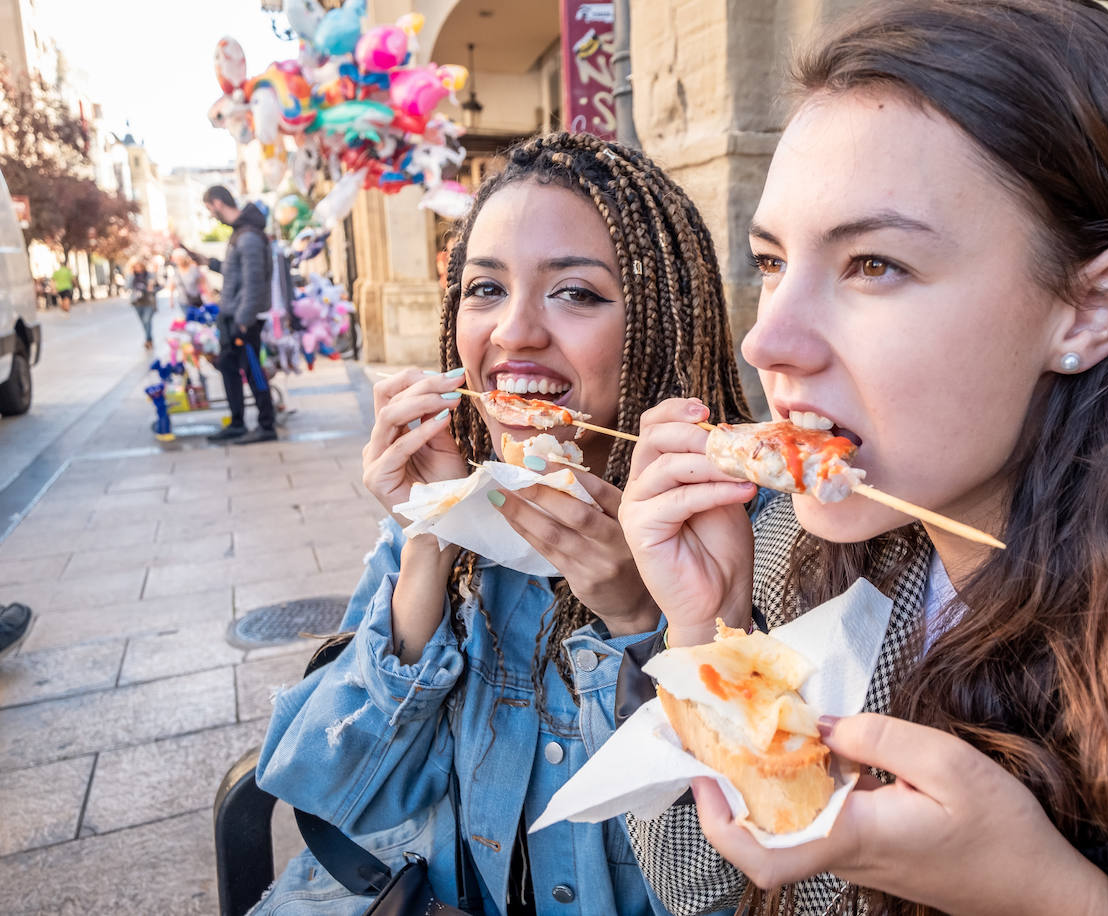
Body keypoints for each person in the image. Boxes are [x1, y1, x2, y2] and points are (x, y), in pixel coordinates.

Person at [615, 2, 1108, 915]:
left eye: (874, 265)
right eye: (772, 261)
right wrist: (708, 637)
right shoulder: (779, 569)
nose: (765, 343)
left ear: (1089, 309)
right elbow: (707, 895)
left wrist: (1053, 899)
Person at [251, 132, 753, 916]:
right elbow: (340, 789)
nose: (513, 331)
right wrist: (429, 538)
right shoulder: (458, 518)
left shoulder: (744, 539)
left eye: (577, 293)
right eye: (485, 289)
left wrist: (639, 618)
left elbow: (729, 880)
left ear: (664, 323)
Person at [202, 186, 276, 444]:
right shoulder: (242, 235)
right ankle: (237, 423)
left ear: (218, 203)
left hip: (243, 320)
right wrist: (208, 262)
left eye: (210, 209)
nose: (212, 215)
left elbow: (253, 283)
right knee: (229, 368)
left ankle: (266, 425)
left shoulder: (248, 237)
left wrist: (243, 322)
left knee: (253, 370)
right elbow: (238, 275)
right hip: (234, 316)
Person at [127, 256, 160, 351]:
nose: (138, 268)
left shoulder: (149, 275)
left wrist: (151, 287)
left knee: (147, 320)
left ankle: (148, 339)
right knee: (143, 322)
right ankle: (149, 338)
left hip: (148, 301)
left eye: (140, 266)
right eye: (136, 266)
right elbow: (127, 287)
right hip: (137, 302)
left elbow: (157, 286)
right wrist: (131, 275)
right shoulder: (131, 276)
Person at [169, 248, 208, 314]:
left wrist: (208, 296)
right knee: (188, 322)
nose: (178, 261)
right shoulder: (175, 271)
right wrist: (171, 299)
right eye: (176, 259)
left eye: (180, 258)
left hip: (195, 300)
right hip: (183, 301)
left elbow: (202, 283)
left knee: (199, 321)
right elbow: (172, 286)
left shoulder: (193, 269)